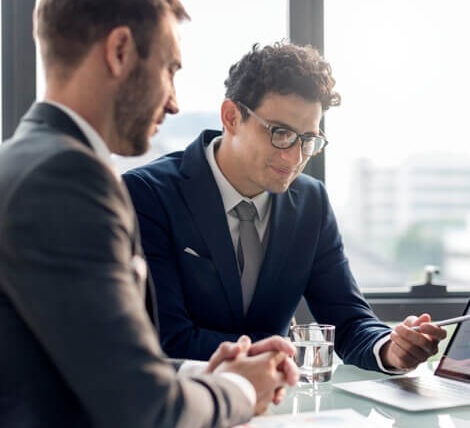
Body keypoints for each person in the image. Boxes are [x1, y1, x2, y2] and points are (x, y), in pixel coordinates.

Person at [0, 1, 298, 427]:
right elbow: (145, 409)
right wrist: (242, 390)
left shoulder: (24, 160)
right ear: (120, 50)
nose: (174, 102)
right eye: (170, 69)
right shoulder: (66, 178)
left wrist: (209, 372)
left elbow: (95, 358)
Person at [123, 42, 447, 372]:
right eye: (280, 133)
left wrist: (391, 348)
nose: (294, 158)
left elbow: (349, 319)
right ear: (232, 116)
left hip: (278, 407)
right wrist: (283, 354)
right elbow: (167, 339)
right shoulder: (148, 195)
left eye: (308, 139)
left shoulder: (311, 202)